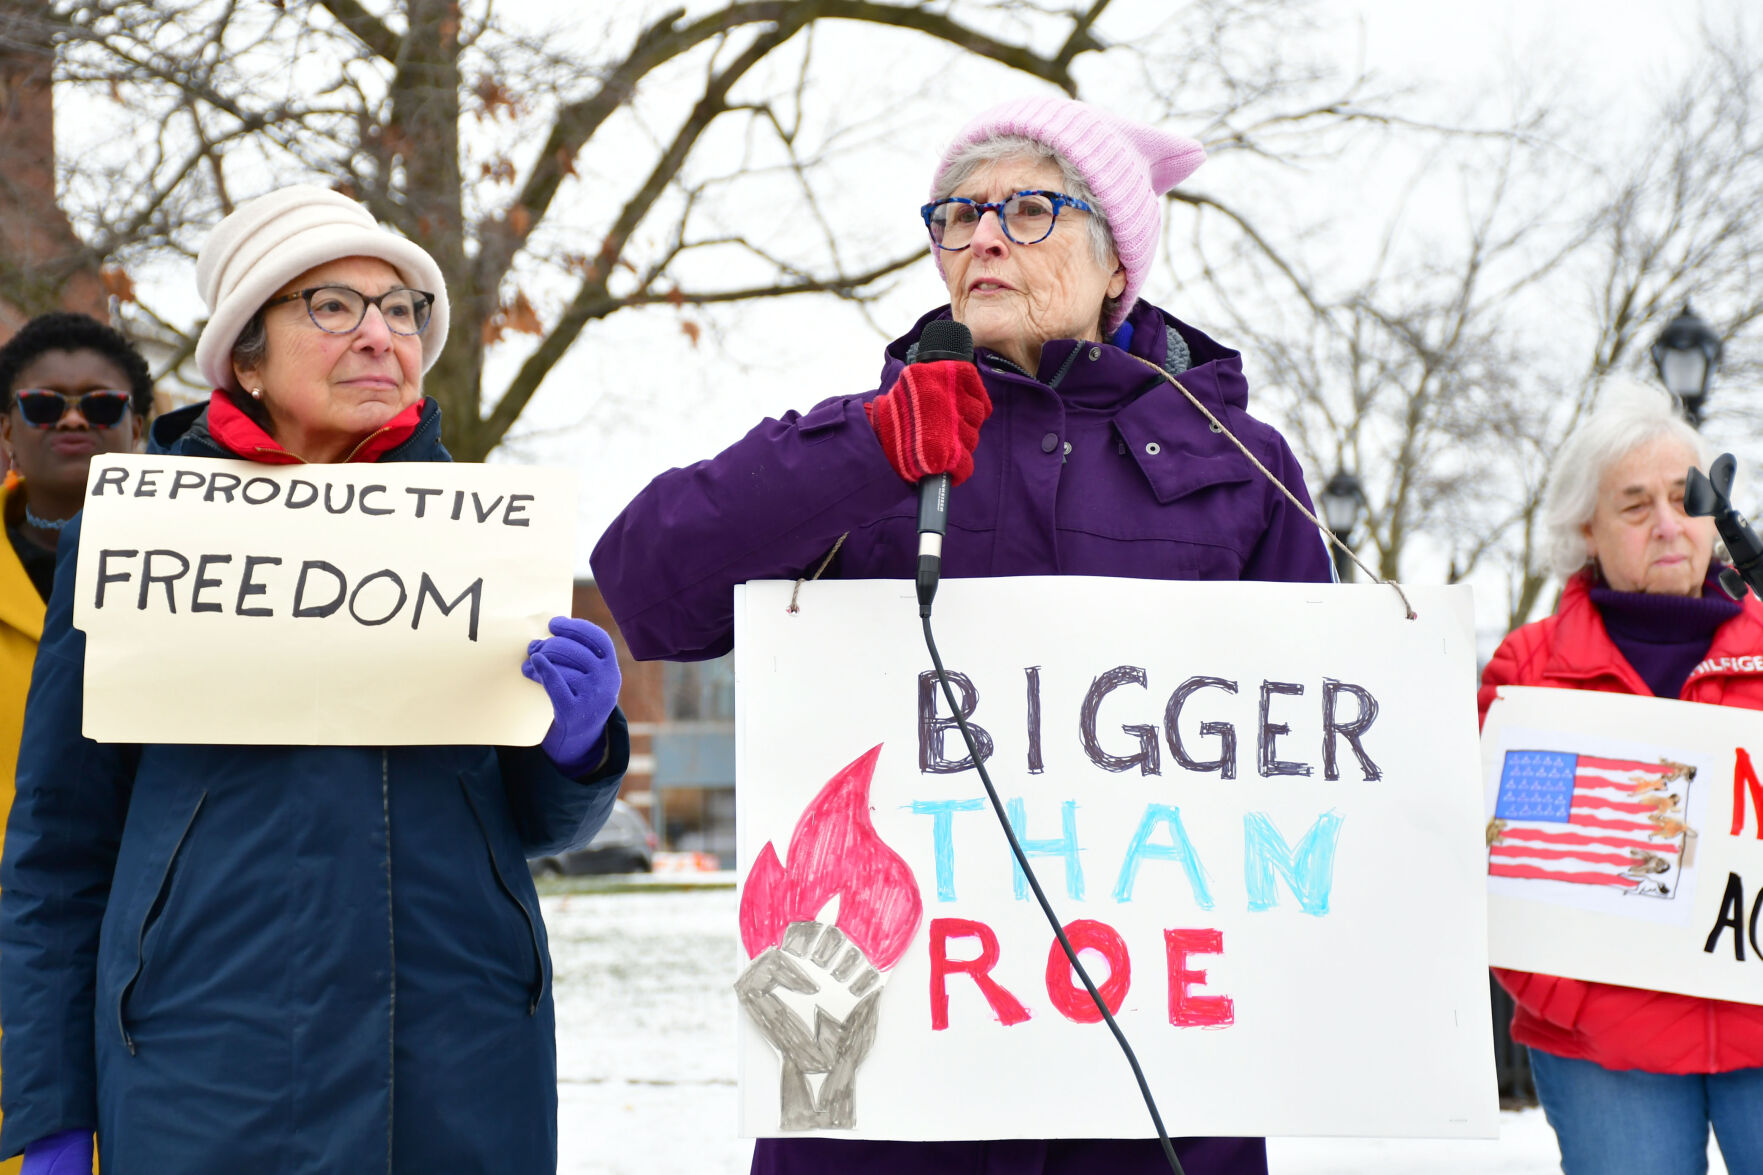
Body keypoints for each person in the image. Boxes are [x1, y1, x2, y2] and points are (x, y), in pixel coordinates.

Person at [592, 97, 1331, 1175]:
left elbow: (1312, 764)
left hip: (1152, 1078)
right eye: (957, 214)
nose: (981, 236)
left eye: (1028, 209)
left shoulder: (1241, 471)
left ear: (1116, 260)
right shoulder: (866, 442)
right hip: (889, 1065)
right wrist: (863, 449)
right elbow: (646, 587)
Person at [0, 187, 630, 1175]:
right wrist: (48, 1107)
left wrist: (577, 748)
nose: (379, 334)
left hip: (458, 1072)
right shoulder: (133, 541)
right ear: (243, 357)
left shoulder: (484, 545)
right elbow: (56, 853)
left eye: (400, 308)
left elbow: (534, 825)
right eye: (332, 305)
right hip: (200, 1077)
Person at [1479, 379, 1763, 1175]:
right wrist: (1577, 1002)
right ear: (1586, 528)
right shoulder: (1531, 674)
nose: (1668, 524)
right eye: (1635, 506)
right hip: (1606, 1045)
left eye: (1685, 497)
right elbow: (1509, 861)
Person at [0, 312, 154, 1175]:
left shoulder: (224, 586)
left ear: (139, 426)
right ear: (6, 432)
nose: (72, 420)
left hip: (144, 991)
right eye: (42, 402)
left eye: (101, 404)